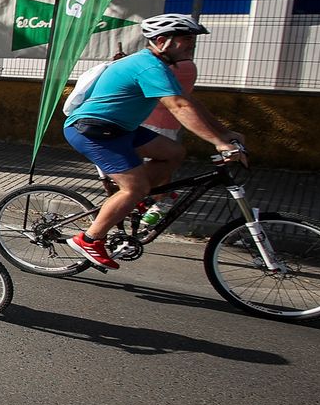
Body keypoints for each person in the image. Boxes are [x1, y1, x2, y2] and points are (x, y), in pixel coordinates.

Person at [62, 13, 245, 269]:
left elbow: (190, 102)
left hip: (121, 128)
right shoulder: (148, 66)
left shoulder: (161, 65)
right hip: (93, 130)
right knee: (134, 188)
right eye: (186, 40)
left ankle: (131, 199)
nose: (192, 45)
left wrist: (224, 133)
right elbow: (178, 107)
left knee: (173, 153)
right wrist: (218, 142)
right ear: (162, 41)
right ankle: (90, 239)